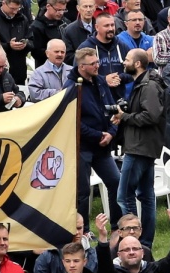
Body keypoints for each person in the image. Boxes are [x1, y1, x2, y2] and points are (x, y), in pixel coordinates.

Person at [111, 48, 163, 248]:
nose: (124, 63)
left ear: (138, 64)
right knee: (146, 195)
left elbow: (151, 116)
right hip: (142, 145)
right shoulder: (142, 83)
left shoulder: (148, 86)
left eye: (127, 59)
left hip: (139, 147)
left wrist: (125, 117)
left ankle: (133, 238)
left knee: (124, 196)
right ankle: (146, 241)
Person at [68, 49, 122, 226]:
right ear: (81, 66)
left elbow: (112, 108)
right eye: (93, 64)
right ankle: (83, 232)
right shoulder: (72, 87)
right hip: (82, 147)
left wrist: (111, 133)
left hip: (103, 146)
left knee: (116, 182)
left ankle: (116, 225)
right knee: (82, 192)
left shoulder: (100, 81)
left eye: (97, 62)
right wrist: (98, 135)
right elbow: (73, 121)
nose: (98, 65)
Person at [0, 0, 31, 85]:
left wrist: (25, 45)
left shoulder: (23, 19)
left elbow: (31, 39)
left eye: (18, 8)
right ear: (4, 3)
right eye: (12, 9)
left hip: (19, 71)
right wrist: (8, 46)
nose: (15, 12)